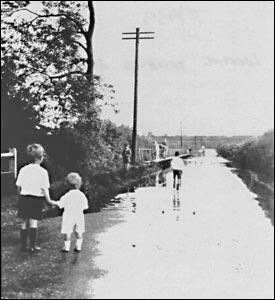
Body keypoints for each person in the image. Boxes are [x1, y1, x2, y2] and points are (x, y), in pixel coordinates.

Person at [16, 144, 51, 252]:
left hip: (24, 197)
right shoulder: (43, 172)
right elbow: (45, 188)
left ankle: (23, 245)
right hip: (36, 199)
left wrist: (20, 196)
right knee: (33, 222)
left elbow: (18, 186)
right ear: (40, 158)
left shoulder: (23, 169)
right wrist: (48, 200)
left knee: (23, 222)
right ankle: (32, 246)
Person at [45, 173, 89, 253]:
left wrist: (52, 202)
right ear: (79, 184)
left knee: (67, 232)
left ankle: (66, 247)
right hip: (79, 215)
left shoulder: (67, 196)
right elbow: (85, 207)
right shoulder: (82, 195)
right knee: (79, 231)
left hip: (68, 216)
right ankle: (78, 246)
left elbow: (60, 204)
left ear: (67, 185)